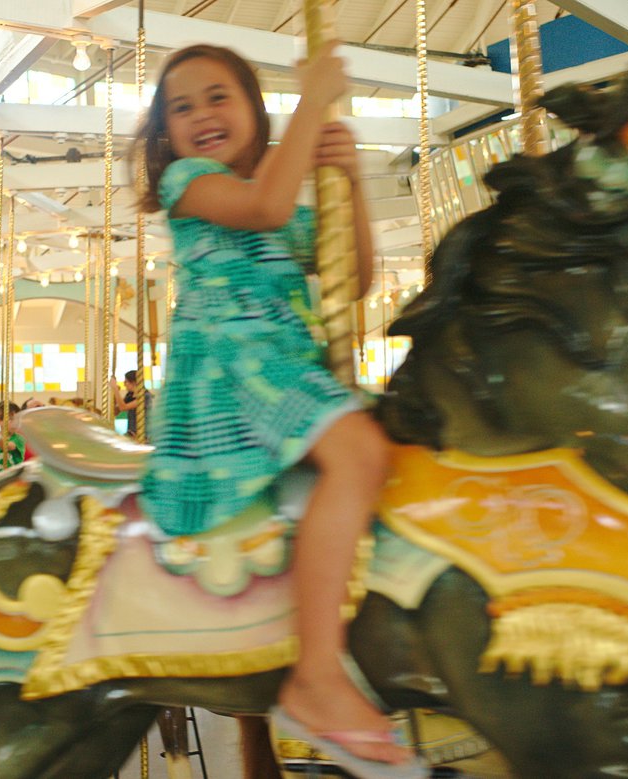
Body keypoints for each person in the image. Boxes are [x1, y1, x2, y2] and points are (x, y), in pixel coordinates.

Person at [133, 44, 422, 777]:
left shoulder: (283, 193)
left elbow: (350, 275)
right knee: (359, 453)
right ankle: (316, 675)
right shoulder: (188, 183)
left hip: (282, 367)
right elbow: (261, 207)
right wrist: (315, 101)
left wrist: (348, 182)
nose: (201, 115)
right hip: (232, 373)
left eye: (217, 96)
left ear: (252, 113)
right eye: (182, 105)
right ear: (164, 136)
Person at [113, 370, 152, 441]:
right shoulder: (130, 395)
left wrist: (116, 390)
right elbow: (116, 411)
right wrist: (114, 395)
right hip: (131, 432)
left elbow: (123, 407)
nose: (124, 385)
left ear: (133, 382)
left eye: (126, 382)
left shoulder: (145, 396)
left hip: (142, 434)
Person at [0, 401, 25, 471]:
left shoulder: (19, 439)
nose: (15, 423)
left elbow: (7, 446)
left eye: (17, 419)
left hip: (13, 480)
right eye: (11, 419)